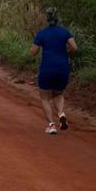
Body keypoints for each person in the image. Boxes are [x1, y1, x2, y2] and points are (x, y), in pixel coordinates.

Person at [29, 7, 77, 135]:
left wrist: (36, 43)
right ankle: (61, 114)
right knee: (58, 94)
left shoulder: (42, 33)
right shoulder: (64, 32)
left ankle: (51, 125)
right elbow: (74, 47)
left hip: (47, 67)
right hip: (62, 67)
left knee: (45, 96)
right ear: (57, 18)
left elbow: (33, 52)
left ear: (47, 19)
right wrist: (67, 54)